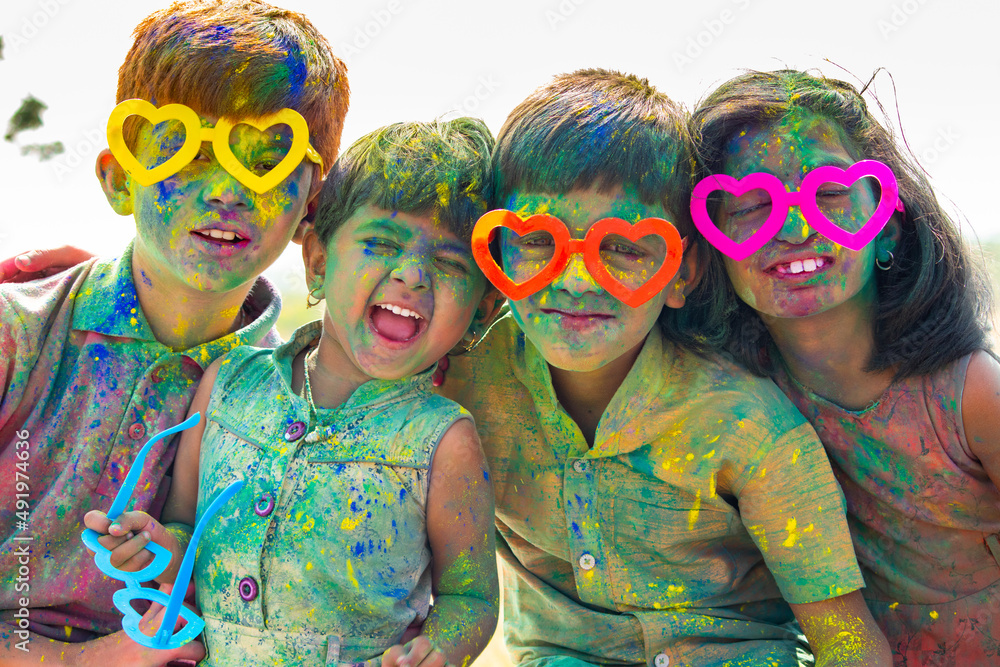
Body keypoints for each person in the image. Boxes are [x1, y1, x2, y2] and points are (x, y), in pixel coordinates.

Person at [440, 68, 891, 666]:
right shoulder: (456, 383)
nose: (574, 279)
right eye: (539, 241)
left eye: (624, 248)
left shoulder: (749, 426)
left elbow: (848, 640)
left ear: (682, 273)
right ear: (495, 253)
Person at [0, 1, 348, 664]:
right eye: (185, 148)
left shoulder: (283, 417)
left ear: (312, 211)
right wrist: (71, 660)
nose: (226, 189)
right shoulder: (16, 335)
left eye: (267, 158)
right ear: (118, 177)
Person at [84, 119, 502, 667]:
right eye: (381, 244)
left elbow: (470, 597)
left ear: (483, 311)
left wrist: (441, 648)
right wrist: (155, 550)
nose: (413, 276)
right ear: (319, 262)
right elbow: (185, 528)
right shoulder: (229, 384)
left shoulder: (442, 441)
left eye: (448, 264)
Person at [688, 69, 1000, 665]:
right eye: (752, 204)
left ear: (887, 221)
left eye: (829, 193)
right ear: (709, 247)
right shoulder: (737, 396)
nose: (795, 227)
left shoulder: (970, 395)